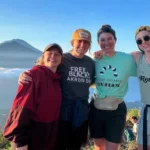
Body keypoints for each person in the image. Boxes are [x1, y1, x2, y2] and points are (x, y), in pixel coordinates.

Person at [17, 29, 95, 150]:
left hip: (81, 112)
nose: (82, 45)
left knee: (76, 145)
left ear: (89, 45)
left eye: (86, 42)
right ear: (72, 43)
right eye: (79, 41)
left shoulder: (90, 63)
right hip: (62, 112)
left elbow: (94, 81)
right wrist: (26, 74)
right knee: (59, 145)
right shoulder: (62, 58)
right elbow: (44, 66)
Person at [3, 43, 63, 150]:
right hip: (33, 135)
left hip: (48, 135)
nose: (53, 56)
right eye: (49, 53)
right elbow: (22, 108)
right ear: (43, 57)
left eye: (57, 54)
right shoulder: (34, 75)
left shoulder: (56, 79)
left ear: (61, 59)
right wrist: (20, 141)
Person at [89, 25, 137, 150]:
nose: (106, 43)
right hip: (96, 107)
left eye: (109, 39)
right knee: (98, 147)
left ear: (115, 40)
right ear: (98, 42)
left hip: (117, 110)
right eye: (102, 40)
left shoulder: (126, 59)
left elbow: (141, 56)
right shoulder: (95, 59)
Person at [132, 26, 150, 150]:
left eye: (146, 37)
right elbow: (116, 57)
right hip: (147, 109)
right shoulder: (137, 57)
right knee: (142, 146)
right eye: (139, 41)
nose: (143, 42)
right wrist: (101, 53)